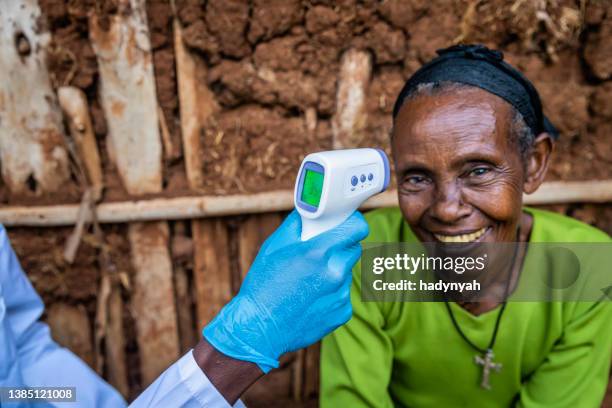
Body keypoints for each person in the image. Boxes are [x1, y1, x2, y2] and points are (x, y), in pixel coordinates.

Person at [320, 44, 612, 407]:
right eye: (417, 178)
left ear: (534, 163)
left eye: (478, 171)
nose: (446, 209)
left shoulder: (586, 269)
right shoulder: (368, 255)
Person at [0, 210, 368, 407]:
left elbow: (25, 344)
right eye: (414, 178)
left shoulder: (374, 254)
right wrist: (233, 353)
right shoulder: (366, 260)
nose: (430, 209)